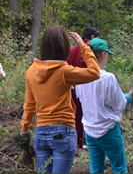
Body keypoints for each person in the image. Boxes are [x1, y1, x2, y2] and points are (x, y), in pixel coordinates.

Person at [20, 26, 100, 173]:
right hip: (63, 132)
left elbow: (29, 105)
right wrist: (83, 47)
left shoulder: (31, 71)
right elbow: (94, 72)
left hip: (41, 133)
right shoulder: (64, 71)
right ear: (64, 47)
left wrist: (25, 128)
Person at [75, 38, 133, 173]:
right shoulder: (108, 78)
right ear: (103, 54)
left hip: (89, 130)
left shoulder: (80, 77)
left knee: (96, 169)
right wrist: (131, 95)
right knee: (119, 168)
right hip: (108, 130)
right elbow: (119, 105)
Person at [67, 26, 99, 149]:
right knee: (88, 117)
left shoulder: (72, 50)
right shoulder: (90, 50)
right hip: (88, 88)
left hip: (73, 89)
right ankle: (81, 144)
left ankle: (76, 143)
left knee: (75, 117)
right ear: (92, 37)